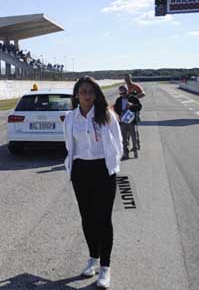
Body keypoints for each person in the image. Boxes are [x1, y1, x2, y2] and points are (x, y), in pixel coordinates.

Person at [63, 76, 123, 289]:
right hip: (81, 171)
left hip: (103, 170)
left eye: (91, 92)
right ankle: (93, 259)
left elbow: (118, 142)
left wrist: (112, 166)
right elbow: (70, 145)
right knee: (87, 217)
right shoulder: (71, 118)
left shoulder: (106, 115)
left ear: (96, 94)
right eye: (83, 92)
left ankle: (106, 268)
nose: (87, 96)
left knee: (103, 219)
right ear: (77, 95)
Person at [114, 85, 142, 159]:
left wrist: (132, 105)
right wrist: (119, 115)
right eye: (121, 94)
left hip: (131, 120)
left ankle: (135, 151)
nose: (123, 95)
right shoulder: (119, 100)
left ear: (127, 91)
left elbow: (139, 107)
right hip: (123, 120)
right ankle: (125, 153)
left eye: (124, 93)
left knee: (133, 136)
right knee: (123, 138)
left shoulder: (133, 98)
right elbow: (116, 109)